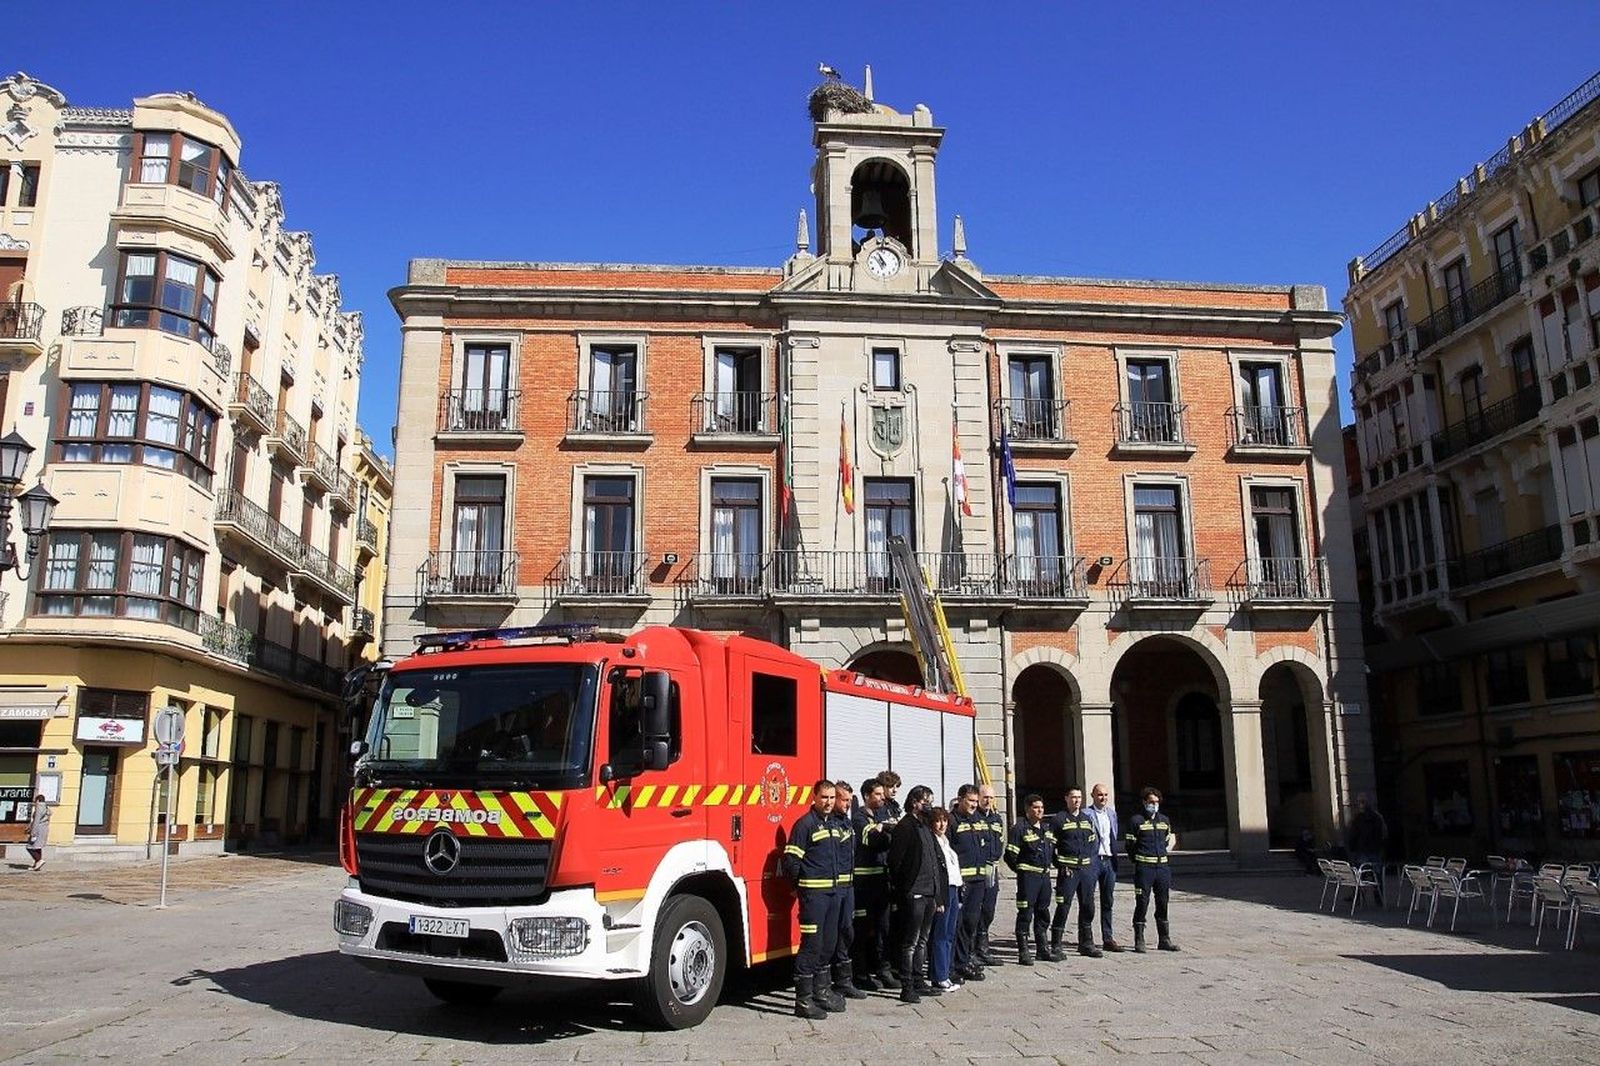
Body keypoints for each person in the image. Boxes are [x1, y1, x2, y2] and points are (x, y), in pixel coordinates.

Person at [782, 779, 849, 1019]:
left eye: (832, 798)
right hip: (814, 896)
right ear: (814, 797)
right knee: (811, 946)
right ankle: (803, 1001)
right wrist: (799, 888)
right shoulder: (805, 825)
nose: (829, 802)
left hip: (833, 894)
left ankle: (822, 992)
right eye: (824, 797)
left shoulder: (834, 824)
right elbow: (791, 861)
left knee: (828, 944)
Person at [887, 784, 945, 1004]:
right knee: (910, 942)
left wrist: (938, 895)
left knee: (923, 940)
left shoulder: (926, 827)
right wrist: (904, 889)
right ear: (914, 802)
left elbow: (934, 861)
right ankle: (907, 985)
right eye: (925, 801)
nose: (928, 805)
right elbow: (896, 861)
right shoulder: (905, 827)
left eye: (930, 801)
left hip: (929, 892)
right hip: (914, 893)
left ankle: (919, 980)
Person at [850, 777, 898, 991]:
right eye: (877, 794)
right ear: (866, 796)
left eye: (881, 794)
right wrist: (886, 832)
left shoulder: (881, 815)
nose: (881, 798)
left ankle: (883, 970)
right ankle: (860, 974)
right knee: (861, 931)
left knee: (883, 929)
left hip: (882, 881)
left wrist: (884, 829)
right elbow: (872, 840)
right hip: (864, 884)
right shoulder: (859, 818)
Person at [1124, 786, 1179, 953]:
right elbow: (1130, 845)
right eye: (1150, 802)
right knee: (1142, 902)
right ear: (1144, 802)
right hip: (1144, 868)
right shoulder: (1136, 821)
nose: (1153, 805)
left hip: (1162, 868)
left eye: (1156, 802)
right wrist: (1138, 860)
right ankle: (1139, 939)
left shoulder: (1164, 821)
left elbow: (1167, 840)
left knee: (1162, 902)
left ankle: (1164, 939)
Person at [827, 780, 868, 1004]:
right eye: (843, 800)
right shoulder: (828, 823)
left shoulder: (846, 823)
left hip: (848, 887)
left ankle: (844, 981)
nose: (847, 804)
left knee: (846, 932)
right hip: (833, 888)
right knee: (830, 936)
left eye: (849, 800)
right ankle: (826, 983)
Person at [1050, 786, 1103, 958]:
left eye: (1079, 797)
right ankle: (1056, 944)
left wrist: (1091, 865)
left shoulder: (1087, 819)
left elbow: (1093, 843)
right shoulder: (1059, 820)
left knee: (1088, 906)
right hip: (1068, 871)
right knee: (1063, 906)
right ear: (1066, 798)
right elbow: (1050, 846)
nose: (1077, 800)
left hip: (1086, 870)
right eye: (1073, 797)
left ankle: (1086, 943)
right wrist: (1059, 864)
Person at [1004, 794, 1056, 965]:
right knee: (1025, 913)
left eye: (1041, 807)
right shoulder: (1019, 829)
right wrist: (1021, 871)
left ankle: (1042, 949)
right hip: (1028, 878)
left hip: (1044, 877)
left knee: (1043, 912)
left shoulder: (1046, 829)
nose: (1039, 810)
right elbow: (1010, 855)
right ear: (1027, 809)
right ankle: (1023, 951)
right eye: (1035, 807)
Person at [948, 784, 991, 983]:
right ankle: (953, 965)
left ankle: (964, 961)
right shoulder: (951, 821)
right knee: (957, 924)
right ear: (960, 800)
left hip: (978, 880)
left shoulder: (978, 820)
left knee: (970, 923)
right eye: (970, 801)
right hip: (962, 882)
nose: (974, 805)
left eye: (976, 801)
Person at [927, 806, 964, 992]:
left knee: (949, 933)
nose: (941, 825)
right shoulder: (933, 842)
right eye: (937, 821)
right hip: (943, 890)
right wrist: (938, 898)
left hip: (954, 888)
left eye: (944, 821)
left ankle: (946, 972)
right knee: (940, 934)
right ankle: (939, 976)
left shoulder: (945, 841)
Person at [1085, 782, 1124, 952]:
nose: (1103, 798)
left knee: (1108, 900)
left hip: (1108, 861)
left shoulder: (1111, 814)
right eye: (1100, 795)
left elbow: (1113, 835)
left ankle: (1108, 937)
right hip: (1093, 861)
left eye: (1106, 795)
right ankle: (1086, 938)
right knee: (1088, 901)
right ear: (1093, 796)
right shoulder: (1086, 814)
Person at [975, 783, 1006, 968]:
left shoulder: (996, 819)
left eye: (991, 798)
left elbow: (1000, 842)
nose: (988, 801)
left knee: (988, 909)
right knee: (974, 910)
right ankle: (973, 950)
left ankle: (983, 947)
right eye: (985, 797)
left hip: (992, 869)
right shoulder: (974, 817)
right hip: (977, 869)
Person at [1346, 793, 1388, 903]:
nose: (1360, 804)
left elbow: (1352, 835)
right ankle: (1378, 898)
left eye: (1361, 802)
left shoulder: (1358, 818)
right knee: (1376, 876)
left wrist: (1352, 848)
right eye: (1359, 802)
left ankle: (1358, 898)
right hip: (1374, 850)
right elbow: (1384, 834)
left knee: (1360, 875)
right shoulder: (1377, 817)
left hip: (1363, 851)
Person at [25, 792, 50, 871]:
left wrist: (33, 832)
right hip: (44, 829)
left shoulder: (39, 808)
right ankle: (36, 865)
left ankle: (39, 860)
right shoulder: (46, 807)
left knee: (29, 847)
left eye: (35, 800)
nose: (35, 802)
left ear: (38, 800)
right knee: (38, 847)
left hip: (38, 829)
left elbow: (36, 821)